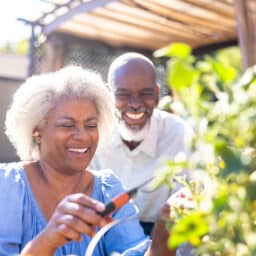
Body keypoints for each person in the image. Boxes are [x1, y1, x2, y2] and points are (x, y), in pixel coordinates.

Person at [0, 66, 175, 255]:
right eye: (68, 125)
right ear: (37, 132)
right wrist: (47, 241)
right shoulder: (7, 186)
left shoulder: (108, 190)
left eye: (91, 125)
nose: (83, 136)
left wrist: (163, 235)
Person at [91, 52, 193, 236]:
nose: (135, 104)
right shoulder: (95, 135)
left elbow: (187, 216)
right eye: (123, 94)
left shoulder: (180, 135)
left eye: (145, 94)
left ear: (156, 95)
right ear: (109, 97)